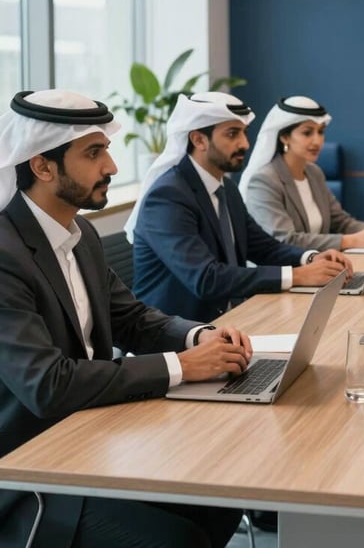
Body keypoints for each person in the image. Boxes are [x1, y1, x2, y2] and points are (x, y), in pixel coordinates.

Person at [0, 89, 251, 548]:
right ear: (42, 166)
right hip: (27, 474)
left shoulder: (81, 232)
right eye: (93, 153)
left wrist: (199, 336)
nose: (112, 167)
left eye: (107, 150)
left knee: (222, 498)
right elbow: (47, 385)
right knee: (178, 540)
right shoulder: (4, 254)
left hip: (92, 437)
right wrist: (182, 366)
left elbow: (132, 318)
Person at [127, 92, 351, 322]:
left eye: (244, 132)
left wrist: (310, 258)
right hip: (177, 331)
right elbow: (206, 279)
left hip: (231, 319)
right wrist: (297, 276)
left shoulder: (226, 188)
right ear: (199, 140)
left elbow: (263, 247)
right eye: (232, 134)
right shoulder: (168, 197)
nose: (245, 143)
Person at [238, 95, 364, 250]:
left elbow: (340, 221)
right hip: (285, 265)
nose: (317, 141)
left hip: (318, 261)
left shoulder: (314, 172)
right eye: (307, 133)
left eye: (320, 132)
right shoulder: (264, 181)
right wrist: (349, 241)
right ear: (285, 137)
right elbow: (284, 240)